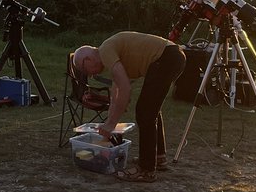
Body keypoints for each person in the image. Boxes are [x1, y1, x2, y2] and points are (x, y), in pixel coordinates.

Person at [72, 32, 185, 183]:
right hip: (172, 55)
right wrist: (108, 126)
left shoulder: (105, 51)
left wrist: (111, 124)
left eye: (85, 71)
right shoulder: (111, 56)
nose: (90, 76)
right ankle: (158, 157)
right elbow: (116, 96)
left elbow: (125, 88)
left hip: (166, 57)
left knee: (144, 112)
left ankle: (146, 170)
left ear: (88, 59)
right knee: (150, 110)